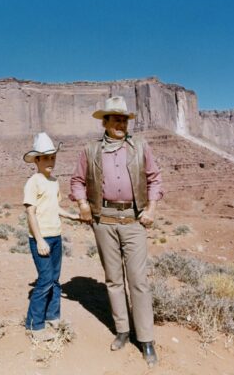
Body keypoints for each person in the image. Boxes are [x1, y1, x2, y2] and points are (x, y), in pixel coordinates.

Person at [70, 96, 163, 367]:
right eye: (116, 119)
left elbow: (154, 178)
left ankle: (146, 339)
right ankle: (122, 330)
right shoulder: (90, 150)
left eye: (124, 119)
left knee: (138, 280)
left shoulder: (140, 146)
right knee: (113, 279)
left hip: (134, 221)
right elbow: (77, 181)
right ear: (105, 122)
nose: (121, 123)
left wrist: (152, 210)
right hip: (104, 220)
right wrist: (83, 205)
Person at [23, 132, 79, 341]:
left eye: (53, 157)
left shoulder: (54, 181)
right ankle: (35, 326)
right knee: (45, 280)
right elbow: (30, 212)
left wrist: (72, 216)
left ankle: (52, 316)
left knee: (55, 280)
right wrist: (39, 240)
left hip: (56, 236)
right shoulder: (33, 182)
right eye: (46, 158)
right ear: (36, 160)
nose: (50, 162)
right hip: (41, 238)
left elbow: (56, 208)